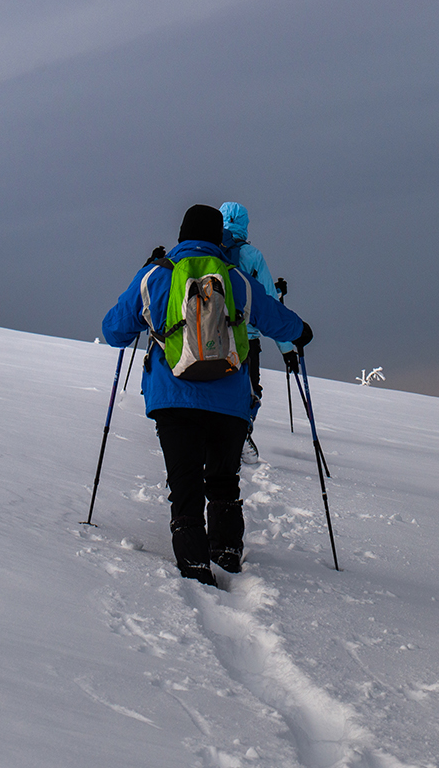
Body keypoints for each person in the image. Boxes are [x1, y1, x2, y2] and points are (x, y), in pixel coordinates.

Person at [102, 204, 312, 585]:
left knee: (184, 483)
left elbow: (115, 330)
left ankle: (194, 562)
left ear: (182, 234)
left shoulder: (157, 274)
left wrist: (144, 272)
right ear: (219, 238)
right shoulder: (236, 279)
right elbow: (276, 318)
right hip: (229, 399)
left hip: (173, 397)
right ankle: (227, 551)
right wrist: (301, 332)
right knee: (222, 478)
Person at [219, 201, 293, 462]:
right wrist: (288, 349)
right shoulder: (252, 256)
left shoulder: (207, 252)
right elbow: (267, 304)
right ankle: (240, 435)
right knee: (251, 390)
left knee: (216, 385)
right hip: (247, 338)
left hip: (210, 336)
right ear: (245, 224)